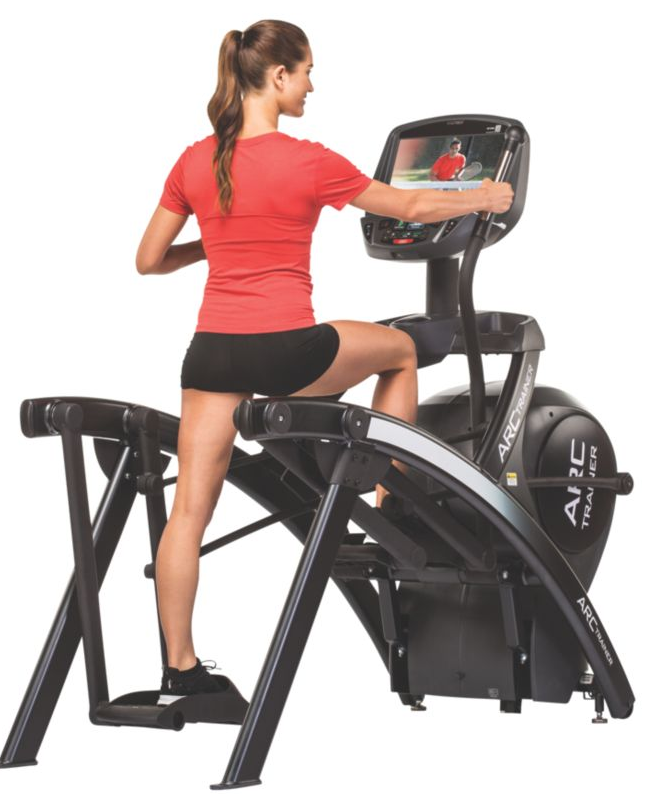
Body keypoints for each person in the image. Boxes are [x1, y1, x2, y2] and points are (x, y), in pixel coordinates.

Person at [135, 20, 514, 698]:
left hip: (211, 356)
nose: (312, 84)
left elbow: (149, 260)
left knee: (188, 512)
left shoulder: (196, 160)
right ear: (278, 76)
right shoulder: (307, 160)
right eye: (306, 71)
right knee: (400, 351)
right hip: (287, 352)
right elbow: (411, 203)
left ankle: (180, 669)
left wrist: (216, 242)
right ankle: (389, 504)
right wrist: (487, 195)